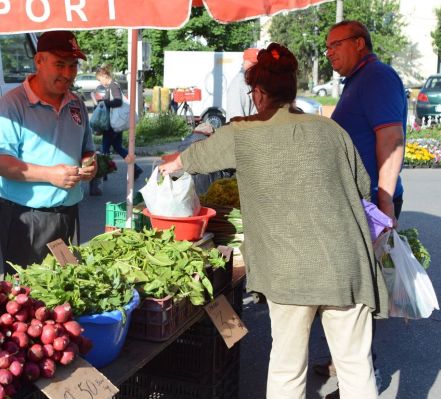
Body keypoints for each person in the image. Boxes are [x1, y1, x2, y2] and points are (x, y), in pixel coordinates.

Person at [159, 43, 387, 399]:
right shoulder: (330, 130)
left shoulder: (244, 132)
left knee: (287, 367)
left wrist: (166, 165)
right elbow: (362, 186)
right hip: (347, 264)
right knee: (356, 366)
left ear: (260, 92)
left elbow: (189, 160)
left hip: (288, 269)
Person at [317, 20, 407, 398]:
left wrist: (384, 201)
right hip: (361, 201)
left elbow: (391, 138)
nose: (329, 53)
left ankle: (366, 369)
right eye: (327, 47)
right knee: (355, 289)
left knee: (361, 292)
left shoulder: (378, 78)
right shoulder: (357, 81)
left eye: (335, 45)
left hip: (371, 203)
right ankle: (352, 362)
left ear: (359, 43)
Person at [0, 31, 97, 271]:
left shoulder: (76, 103)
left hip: (68, 215)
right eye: (60, 64)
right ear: (39, 61)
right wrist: (49, 174)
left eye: (73, 65)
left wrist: (90, 164)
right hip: (29, 219)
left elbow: (87, 149)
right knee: (31, 298)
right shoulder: (11, 105)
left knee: (67, 287)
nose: (68, 74)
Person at [88, 65, 143, 196]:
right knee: (117, 147)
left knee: (104, 149)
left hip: (113, 125)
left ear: (104, 76)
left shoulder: (113, 86)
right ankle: (135, 168)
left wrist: (105, 103)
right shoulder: (112, 86)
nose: (100, 82)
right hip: (115, 123)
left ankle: (101, 174)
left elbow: (117, 102)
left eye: (100, 79)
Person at [226, 47, 259, 120]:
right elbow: (235, 124)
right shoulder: (239, 85)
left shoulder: (252, 81)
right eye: (253, 63)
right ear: (245, 61)